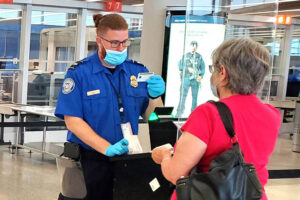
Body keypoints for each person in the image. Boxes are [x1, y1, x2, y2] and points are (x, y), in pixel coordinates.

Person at [152, 38, 281, 200]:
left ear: (222, 72)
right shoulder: (272, 114)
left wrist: (164, 155)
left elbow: (176, 173)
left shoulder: (209, 113)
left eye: (213, 69)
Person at [55, 13, 165, 200]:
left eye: (125, 42)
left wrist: (155, 97)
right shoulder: (79, 73)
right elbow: (73, 121)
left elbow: (152, 117)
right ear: (99, 40)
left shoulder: (138, 72)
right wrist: (106, 148)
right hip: (90, 160)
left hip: (128, 158)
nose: (121, 48)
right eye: (114, 43)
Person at [175, 41, 205, 118]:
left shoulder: (199, 57)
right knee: (182, 96)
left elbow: (203, 67)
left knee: (195, 97)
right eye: (192, 46)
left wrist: (201, 76)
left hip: (195, 79)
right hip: (186, 78)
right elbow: (180, 67)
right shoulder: (185, 56)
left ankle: (194, 114)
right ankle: (179, 112)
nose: (194, 47)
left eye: (195, 46)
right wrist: (188, 69)